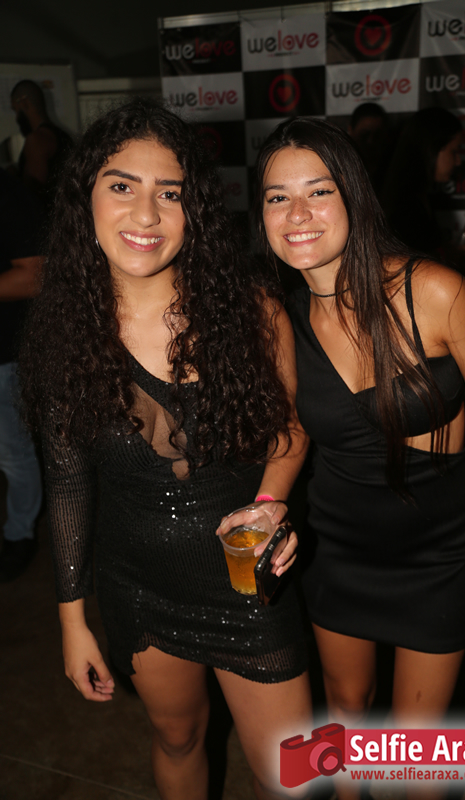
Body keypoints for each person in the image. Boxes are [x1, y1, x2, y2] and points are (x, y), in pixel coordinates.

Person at [18, 99, 311, 800]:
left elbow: (289, 431)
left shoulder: (249, 309)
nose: (146, 214)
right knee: (177, 737)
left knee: (293, 772)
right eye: (122, 185)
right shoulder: (64, 334)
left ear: (194, 210)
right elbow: (67, 484)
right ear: (86, 199)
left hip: (245, 583)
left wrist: (270, 504)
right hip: (140, 589)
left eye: (169, 193)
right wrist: (72, 622)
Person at [254, 117, 465, 800]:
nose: (297, 214)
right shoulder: (281, 317)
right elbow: (292, 431)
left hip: (440, 549)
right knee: (346, 711)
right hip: (340, 546)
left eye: (318, 191)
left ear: (352, 194)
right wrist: (264, 506)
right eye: (277, 197)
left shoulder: (434, 291)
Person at [0, 167, 43, 582]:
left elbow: (33, 275)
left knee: (13, 454)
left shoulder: (5, 189)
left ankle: (19, 534)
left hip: (4, 354)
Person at [381, 107, 462, 258]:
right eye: (454, 151)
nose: (458, 161)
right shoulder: (404, 206)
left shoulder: (413, 195)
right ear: (433, 148)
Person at [10, 79, 72, 201]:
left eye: (15, 110)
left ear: (24, 103)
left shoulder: (37, 140)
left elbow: (31, 193)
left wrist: (11, 178)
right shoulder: (64, 136)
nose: (16, 117)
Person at [348, 102, 388, 191]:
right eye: (364, 134)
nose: (370, 141)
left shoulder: (391, 169)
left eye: (377, 135)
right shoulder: (342, 168)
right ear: (350, 130)